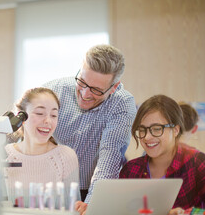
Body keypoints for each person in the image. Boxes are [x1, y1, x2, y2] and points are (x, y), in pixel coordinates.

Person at [43, 44, 137, 205]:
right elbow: (21, 128)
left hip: (91, 188)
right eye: (82, 82)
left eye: (96, 90)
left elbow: (110, 157)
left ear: (114, 87)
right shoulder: (55, 90)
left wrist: (92, 204)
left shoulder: (122, 104)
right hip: (48, 186)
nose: (85, 94)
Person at [119, 95, 205, 214]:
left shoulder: (198, 163)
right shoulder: (130, 170)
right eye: (142, 129)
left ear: (175, 130)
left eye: (157, 129)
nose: (147, 137)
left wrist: (188, 213)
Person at [4, 87, 80, 208]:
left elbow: (71, 209)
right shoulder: (3, 155)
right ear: (21, 117)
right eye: (39, 113)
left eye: (54, 115)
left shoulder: (65, 156)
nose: (48, 121)